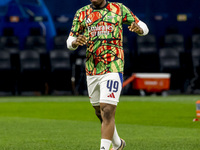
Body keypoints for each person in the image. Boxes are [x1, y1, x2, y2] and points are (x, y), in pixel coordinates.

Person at [67, 0, 149, 149]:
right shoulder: (81, 13)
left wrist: (139, 29)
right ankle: (118, 143)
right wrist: (74, 42)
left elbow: (144, 26)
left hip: (113, 66)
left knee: (107, 110)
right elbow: (70, 40)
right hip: (92, 68)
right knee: (99, 111)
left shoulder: (118, 9)